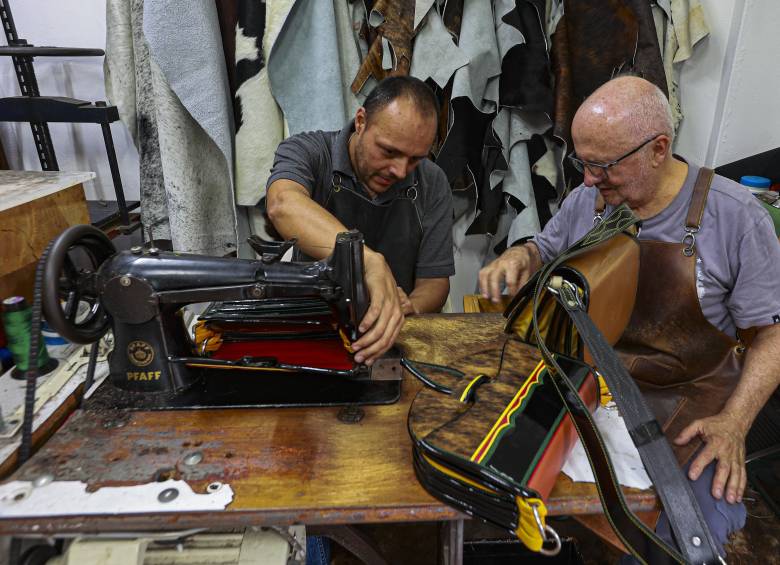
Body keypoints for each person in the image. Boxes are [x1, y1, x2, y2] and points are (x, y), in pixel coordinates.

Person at [479, 76, 780, 556]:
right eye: (583, 162)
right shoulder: (593, 199)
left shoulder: (737, 217)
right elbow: (546, 248)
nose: (588, 180)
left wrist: (736, 423)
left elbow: (772, 337)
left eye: (602, 166)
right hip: (593, 388)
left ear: (658, 149)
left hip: (690, 403)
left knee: (687, 542)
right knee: (499, 489)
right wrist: (524, 255)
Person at [266, 76, 454, 367]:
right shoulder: (309, 152)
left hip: (390, 338)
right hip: (311, 332)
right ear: (361, 121)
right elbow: (282, 204)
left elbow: (435, 281)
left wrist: (409, 305)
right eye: (389, 151)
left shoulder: (432, 181)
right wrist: (368, 261)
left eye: (415, 158)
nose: (401, 171)